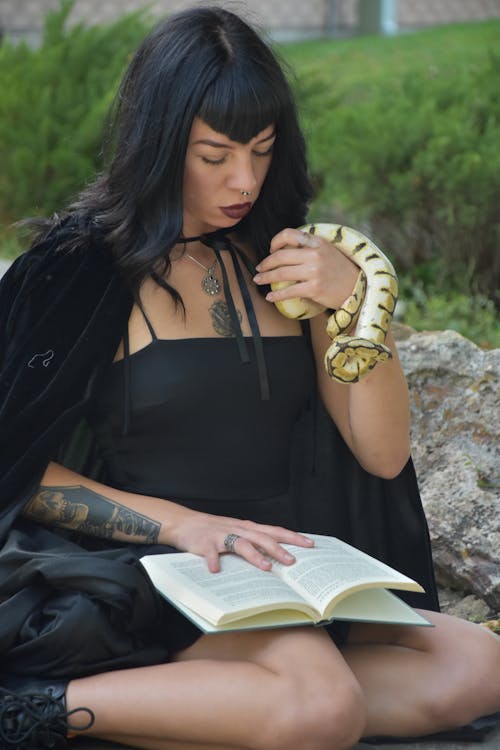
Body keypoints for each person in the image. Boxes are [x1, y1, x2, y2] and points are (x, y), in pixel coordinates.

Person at [0, 6, 498, 750]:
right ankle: (40, 709)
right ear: (159, 144)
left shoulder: (289, 262)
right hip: (152, 568)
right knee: (323, 705)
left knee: (477, 665)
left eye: (262, 151)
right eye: (215, 155)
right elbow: (18, 468)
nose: (244, 179)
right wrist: (183, 525)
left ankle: (230, 705)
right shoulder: (79, 271)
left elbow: (382, 453)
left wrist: (356, 302)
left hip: (285, 568)